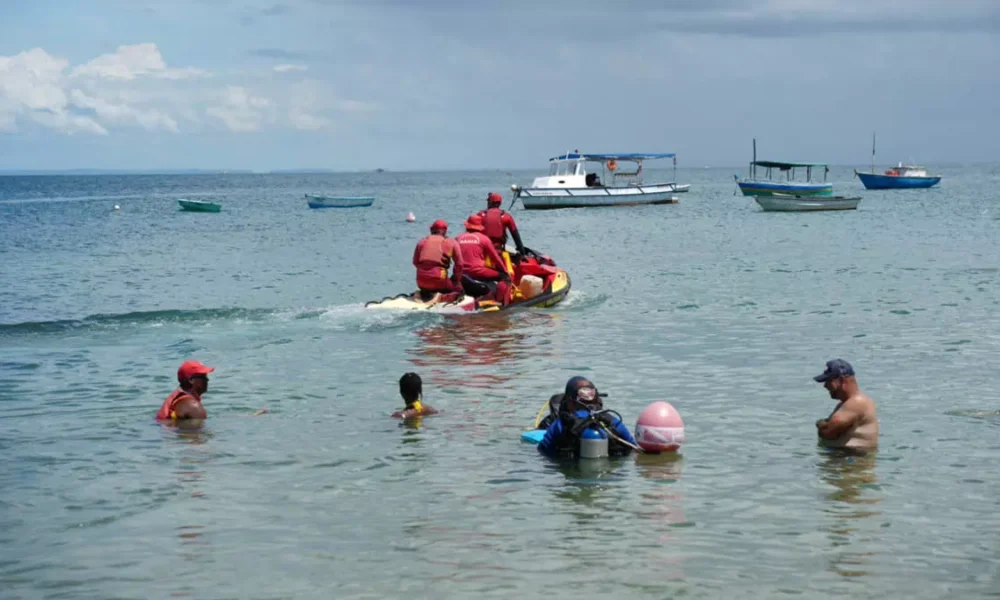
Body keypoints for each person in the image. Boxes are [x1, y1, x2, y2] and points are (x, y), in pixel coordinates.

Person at [537, 376, 637, 458]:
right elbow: (633, 448)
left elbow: (543, 450)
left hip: (572, 473)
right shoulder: (612, 421)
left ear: (569, 402)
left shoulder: (562, 423)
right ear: (597, 399)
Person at [814, 359, 878, 451]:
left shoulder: (856, 402)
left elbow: (828, 432)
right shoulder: (848, 403)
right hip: (846, 459)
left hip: (853, 461)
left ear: (841, 380)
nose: (825, 386)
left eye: (828, 381)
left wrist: (820, 424)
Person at [455, 214, 511, 305]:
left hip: (461, 273)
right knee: (505, 278)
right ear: (480, 227)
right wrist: (505, 272)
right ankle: (501, 304)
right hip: (477, 271)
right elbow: (495, 258)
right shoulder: (484, 239)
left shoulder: (458, 238)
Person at [412, 219, 464, 302]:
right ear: (445, 231)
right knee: (459, 289)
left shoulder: (422, 242)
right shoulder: (451, 242)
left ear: (432, 230)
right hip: (440, 281)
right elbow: (460, 264)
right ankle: (443, 297)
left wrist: (426, 270)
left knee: (428, 286)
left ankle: (423, 293)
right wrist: (456, 279)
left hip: (421, 282)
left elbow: (415, 262)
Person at [477, 192, 525, 257]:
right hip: (498, 250)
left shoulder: (480, 215)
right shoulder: (507, 217)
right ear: (500, 203)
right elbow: (516, 236)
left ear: (490, 202)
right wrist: (522, 253)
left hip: (482, 250)